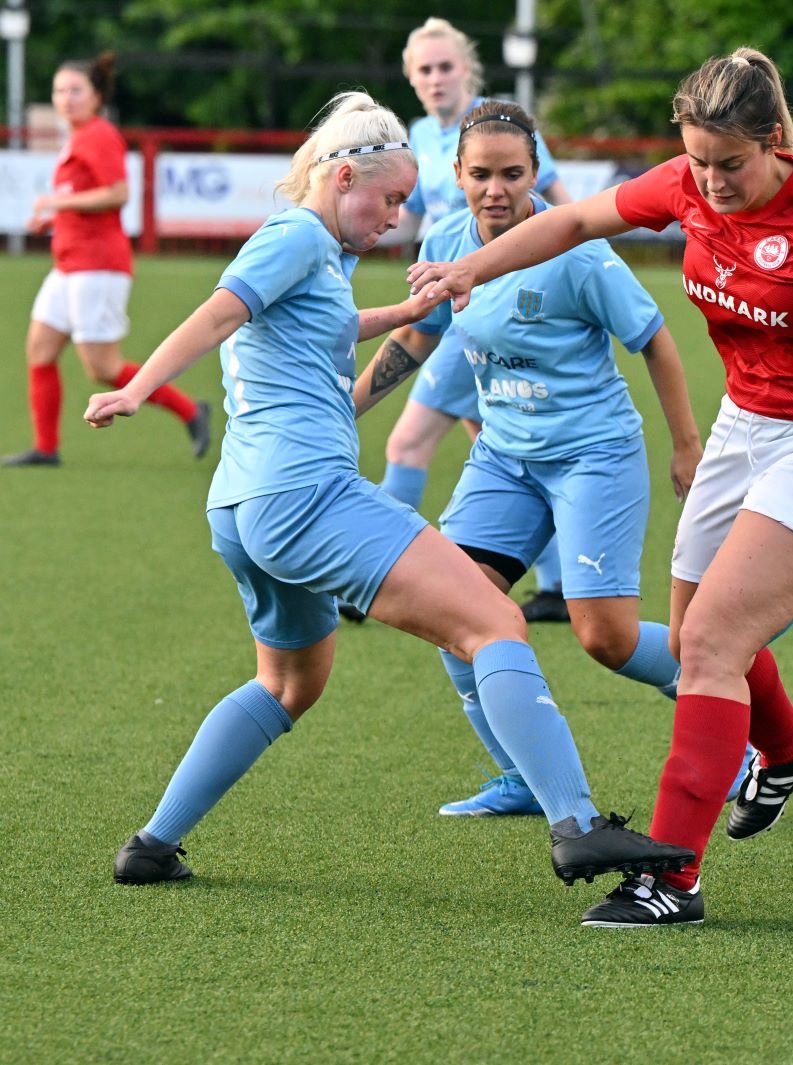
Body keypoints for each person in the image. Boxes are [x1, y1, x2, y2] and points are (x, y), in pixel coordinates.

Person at [410, 48, 793, 927]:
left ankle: (672, 878)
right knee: (701, 630)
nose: (709, 182)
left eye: (729, 164)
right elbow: (575, 222)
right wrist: (474, 269)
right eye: (697, 161)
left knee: (706, 643)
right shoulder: (684, 182)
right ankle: (786, 747)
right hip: (745, 427)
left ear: (774, 140)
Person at [85, 90, 692, 892]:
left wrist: (406, 311)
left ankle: (153, 844)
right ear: (342, 177)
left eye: (409, 200)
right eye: (390, 197)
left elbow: (317, 324)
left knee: (290, 683)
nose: (398, 216)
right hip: (307, 497)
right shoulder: (298, 234)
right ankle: (576, 826)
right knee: (494, 621)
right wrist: (139, 387)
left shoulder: (315, 253)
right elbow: (217, 313)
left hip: (242, 508)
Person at [357, 99, 743, 818]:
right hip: (505, 459)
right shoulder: (444, 242)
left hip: (593, 456)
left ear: (536, 173)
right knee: (456, 609)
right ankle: (522, 778)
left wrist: (688, 446)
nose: (495, 189)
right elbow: (418, 335)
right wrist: (345, 407)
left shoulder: (579, 252)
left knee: (608, 638)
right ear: (458, 174)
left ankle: (738, 729)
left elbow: (654, 338)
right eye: (481, 174)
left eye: (512, 173)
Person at [352, 17, 571, 623]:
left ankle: (372, 579)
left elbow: (560, 208)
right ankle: (552, 585)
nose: (435, 78)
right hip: (455, 310)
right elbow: (411, 209)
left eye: (445, 66)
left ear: (466, 70)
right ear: (410, 79)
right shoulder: (420, 135)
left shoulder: (496, 129)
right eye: (424, 69)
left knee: (407, 440)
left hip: (482, 314)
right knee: (497, 446)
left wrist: (581, 259)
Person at [4, 51, 209, 468]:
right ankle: (46, 448)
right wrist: (56, 215)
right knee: (40, 351)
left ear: (97, 96)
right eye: (59, 90)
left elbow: (118, 193)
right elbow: (84, 203)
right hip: (70, 265)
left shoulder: (98, 135)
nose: (66, 98)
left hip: (97, 267)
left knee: (103, 367)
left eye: (76, 90)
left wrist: (58, 202)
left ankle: (191, 411)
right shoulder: (78, 138)